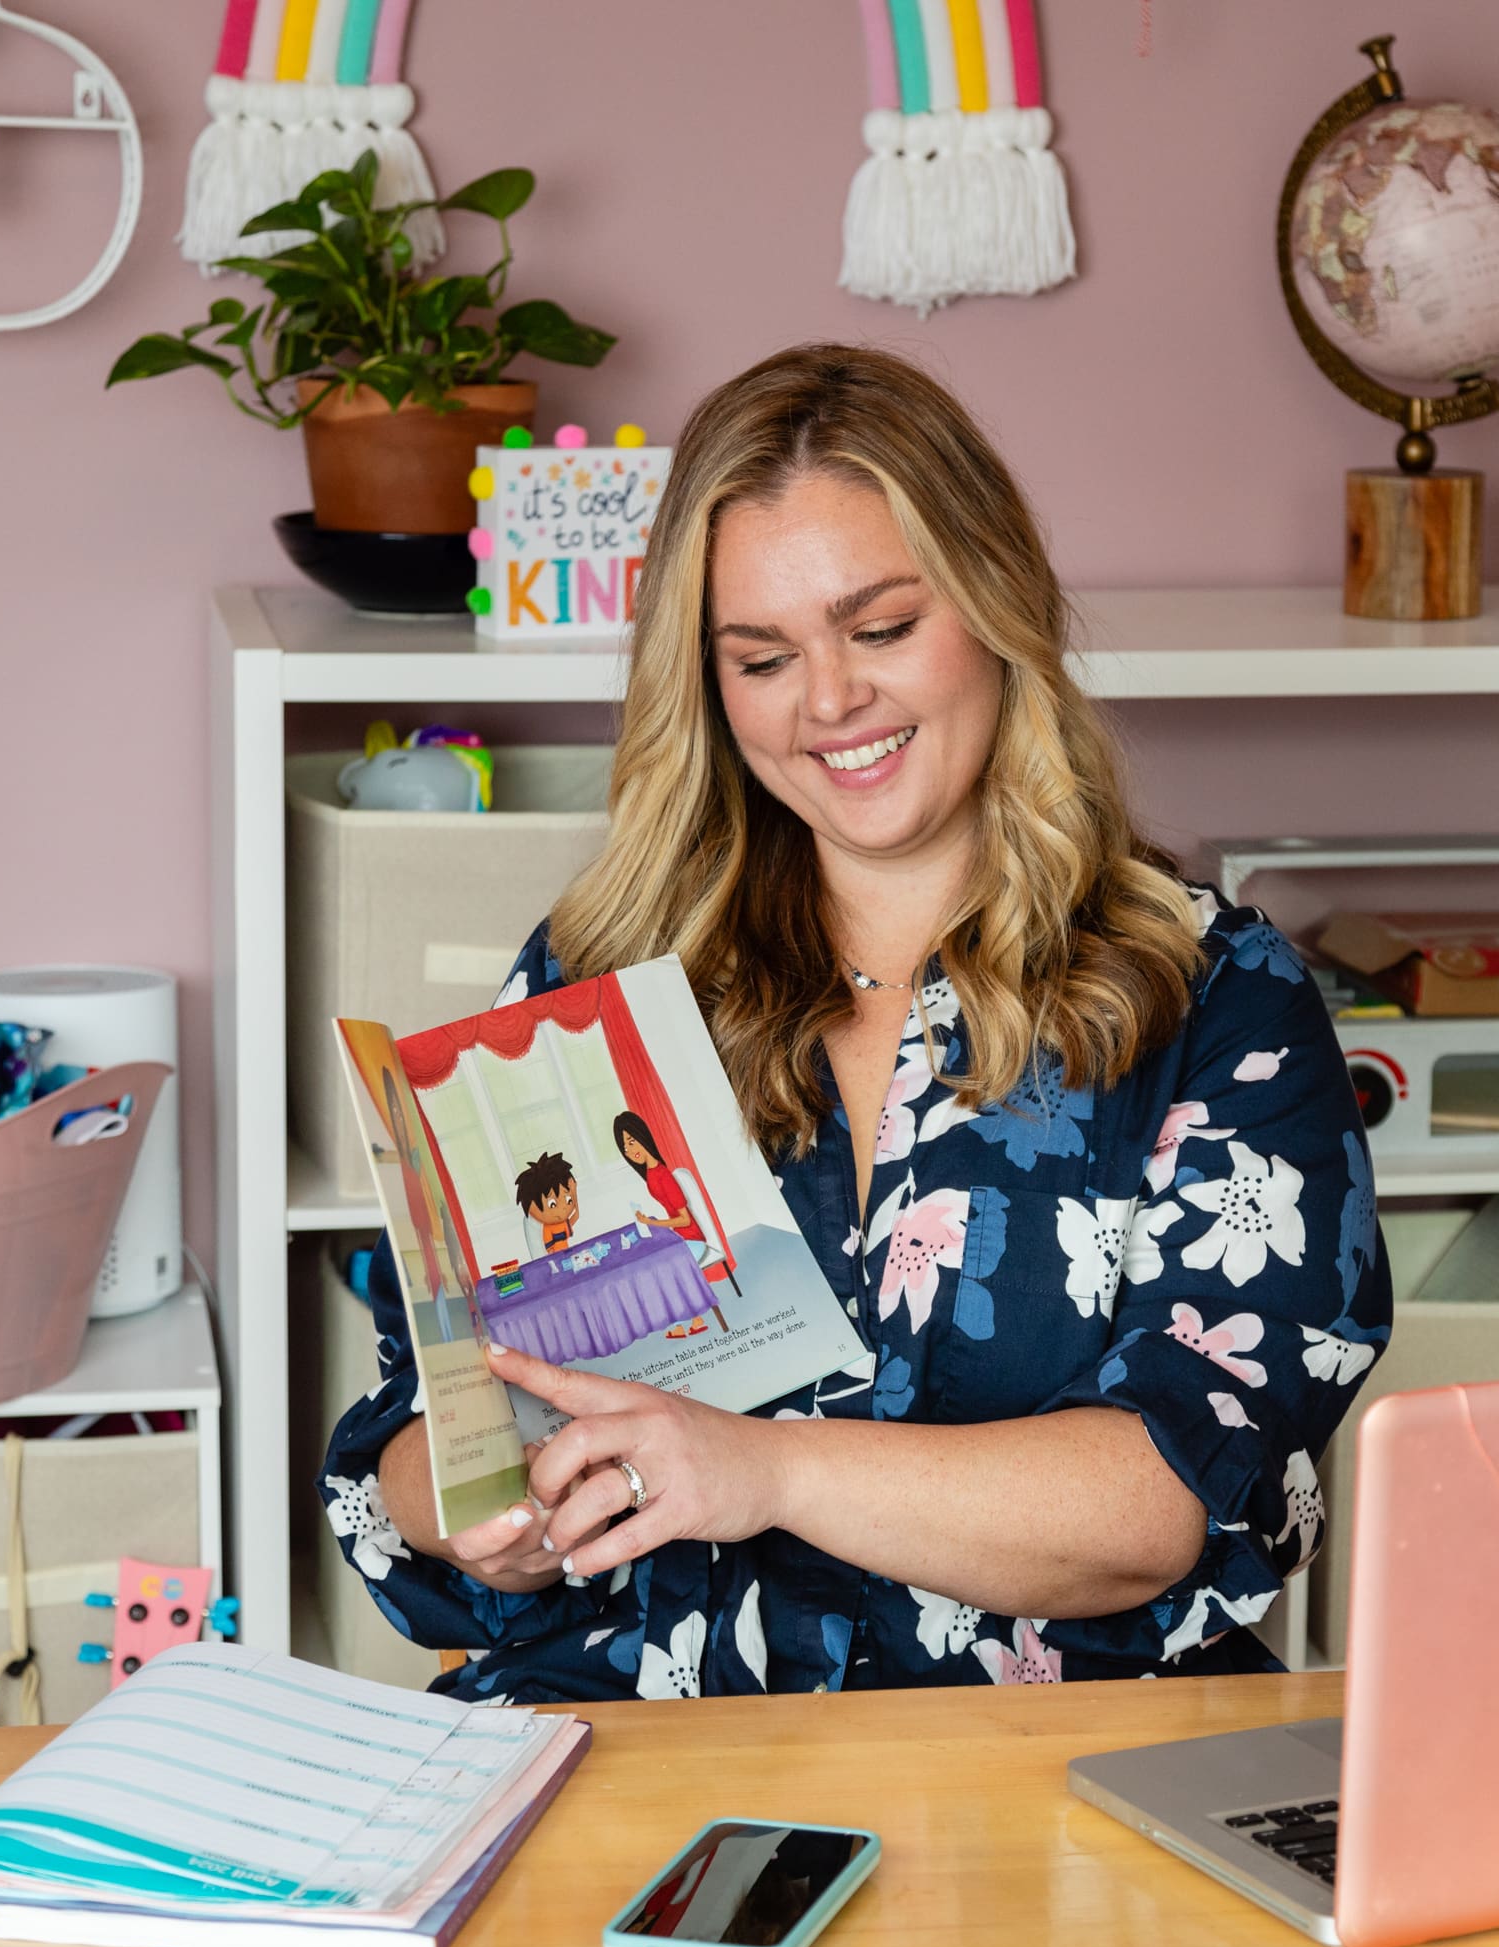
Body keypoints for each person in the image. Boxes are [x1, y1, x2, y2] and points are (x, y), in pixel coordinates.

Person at [321, 344, 1391, 1702]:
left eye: (880, 630)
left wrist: (759, 1470)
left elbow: (1170, 1495)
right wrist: (498, 1513)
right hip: (627, 1751)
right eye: (762, 657)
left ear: (997, 605)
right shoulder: (598, 984)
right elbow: (405, 1456)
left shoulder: (1213, 997)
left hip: (1033, 1787)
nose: (830, 702)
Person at [614, 1110, 714, 1336]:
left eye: (632, 1141)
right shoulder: (650, 1173)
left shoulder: (662, 1174)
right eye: (625, 1147)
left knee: (663, 1270)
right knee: (653, 1263)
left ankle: (689, 1321)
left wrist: (654, 1223)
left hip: (692, 1237)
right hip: (681, 1235)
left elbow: (685, 1219)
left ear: (642, 1136)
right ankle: (686, 1322)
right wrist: (653, 1223)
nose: (630, 1151)